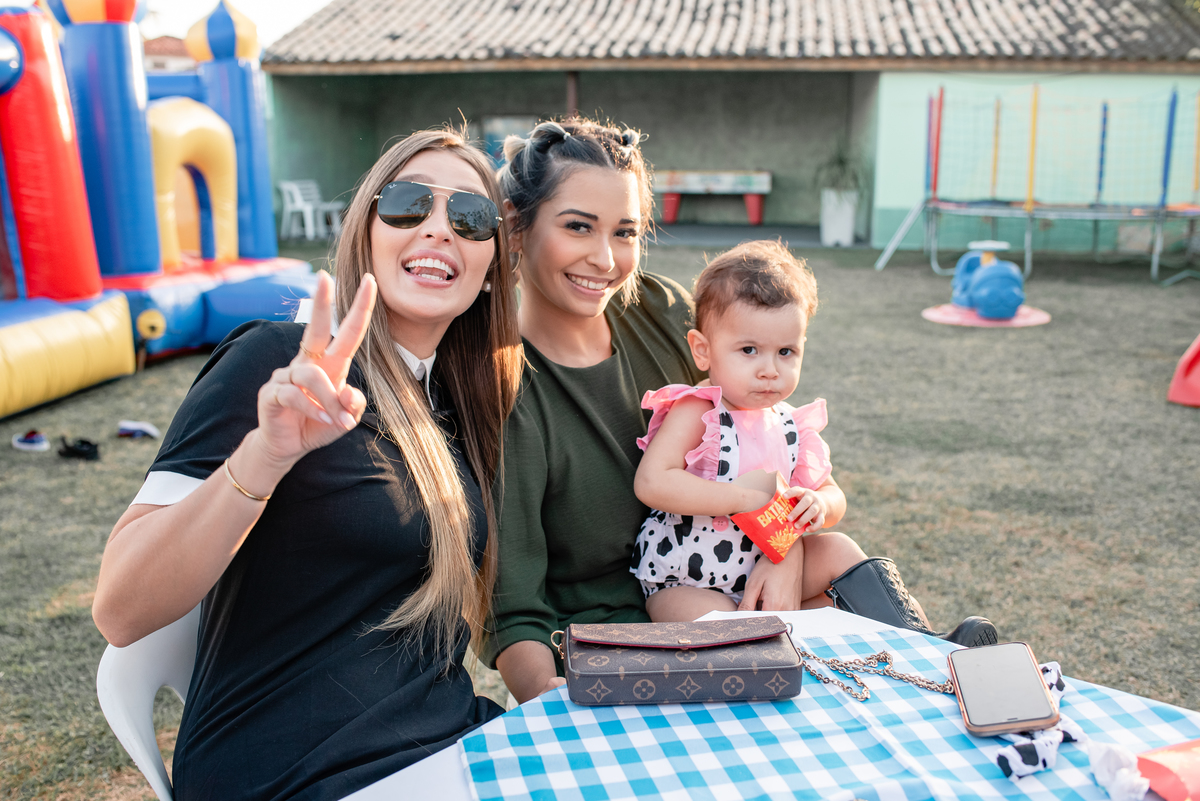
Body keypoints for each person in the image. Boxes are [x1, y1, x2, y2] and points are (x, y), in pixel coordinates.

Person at [485, 118, 996, 706]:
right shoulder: (504, 387)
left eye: (625, 232)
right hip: (632, 637)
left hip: (744, 570)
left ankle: (940, 662)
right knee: (788, 677)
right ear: (517, 226)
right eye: (578, 227)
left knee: (856, 599)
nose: (605, 259)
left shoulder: (658, 313)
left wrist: (787, 548)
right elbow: (513, 601)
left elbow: (758, 432)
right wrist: (546, 697)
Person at [91, 127, 522, 801]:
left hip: (443, 746)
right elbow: (120, 608)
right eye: (410, 203)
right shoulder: (273, 363)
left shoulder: (455, 407)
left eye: (470, 216)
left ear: (493, 264)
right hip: (297, 774)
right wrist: (265, 455)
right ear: (366, 232)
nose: (439, 229)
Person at [631, 240, 867, 622]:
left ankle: (922, 637)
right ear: (703, 350)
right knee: (724, 631)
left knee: (842, 552)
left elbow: (832, 493)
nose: (769, 369)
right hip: (690, 580)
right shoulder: (700, 411)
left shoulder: (792, 424)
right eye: (749, 350)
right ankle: (760, 644)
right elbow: (653, 483)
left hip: (771, 574)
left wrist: (819, 504)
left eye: (785, 352)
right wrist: (741, 498)